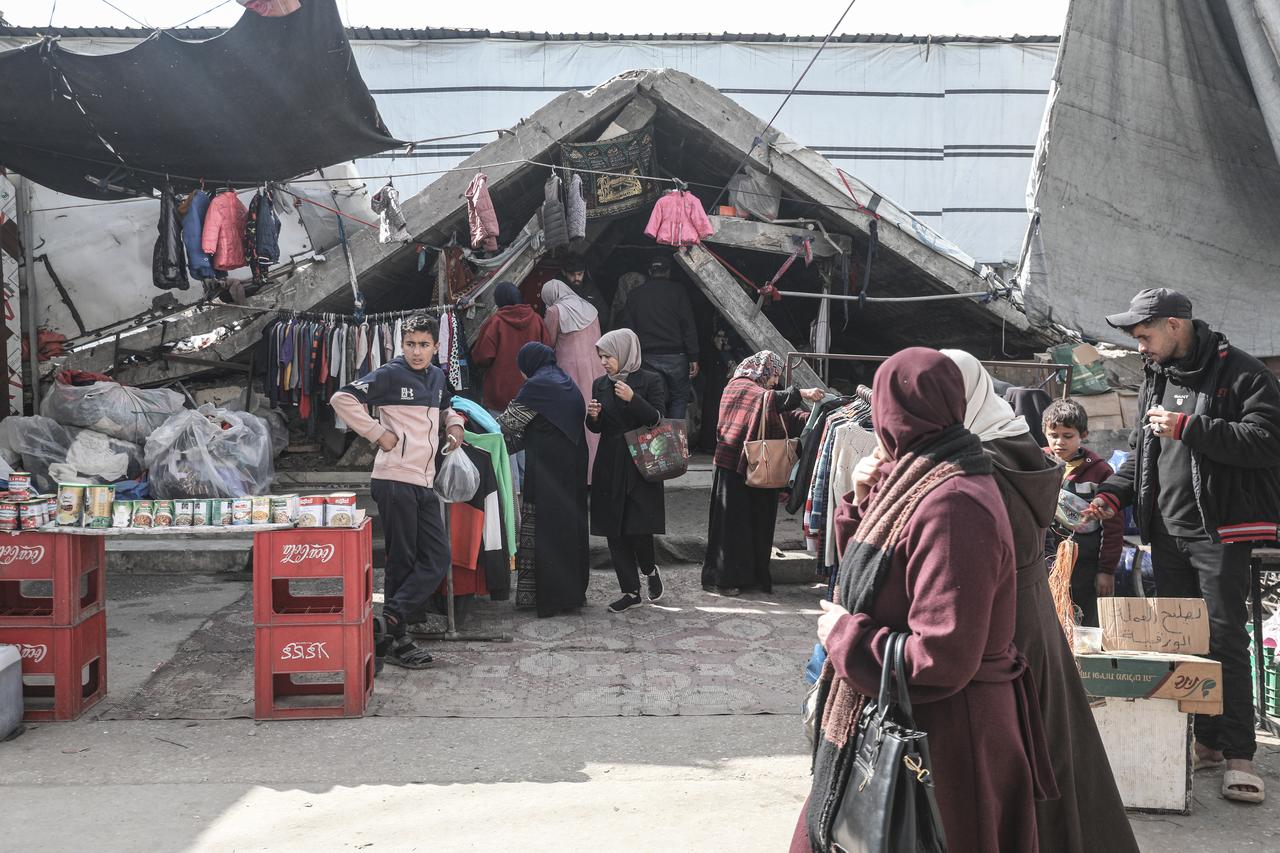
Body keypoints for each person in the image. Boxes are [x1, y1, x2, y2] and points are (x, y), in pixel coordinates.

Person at [795, 348, 1055, 853]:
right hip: (930, 723)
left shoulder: (953, 502)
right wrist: (859, 500)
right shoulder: (920, 479)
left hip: (947, 740)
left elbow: (942, 656)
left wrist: (845, 636)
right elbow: (881, 580)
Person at [1085, 288, 1280, 804]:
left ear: (1174, 326)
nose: (1141, 347)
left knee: (1224, 640)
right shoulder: (1158, 374)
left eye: (1145, 335)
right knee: (1182, 643)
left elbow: (1267, 441)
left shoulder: (1242, 373)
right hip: (1165, 536)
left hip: (1219, 533)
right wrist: (1112, 495)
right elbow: (1141, 452)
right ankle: (1207, 742)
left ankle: (1240, 752)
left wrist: (1190, 427)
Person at [940, 349, 1137, 853]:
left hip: (999, 633)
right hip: (1030, 623)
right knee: (1047, 749)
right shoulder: (1016, 450)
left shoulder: (977, 466)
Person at [330, 313, 465, 670]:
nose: (416, 352)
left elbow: (448, 405)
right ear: (400, 346)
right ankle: (397, 635)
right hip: (393, 480)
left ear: (437, 348)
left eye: (423, 345)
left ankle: (388, 624)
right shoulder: (391, 374)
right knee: (402, 559)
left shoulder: (437, 377)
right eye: (410, 345)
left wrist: (454, 425)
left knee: (436, 558)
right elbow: (341, 399)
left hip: (424, 482)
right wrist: (377, 433)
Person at [701, 351, 823, 596]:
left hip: (757, 467)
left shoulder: (762, 393)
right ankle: (723, 579)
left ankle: (752, 577)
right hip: (732, 468)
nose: (775, 381)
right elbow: (766, 400)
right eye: (774, 374)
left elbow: (782, 413)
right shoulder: (738, 387)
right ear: (763, 369)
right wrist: (801, 394)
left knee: (758, 524)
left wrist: (818, 418)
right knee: (732, 527)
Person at [495, 342, 591, 618]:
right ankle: (570, 594)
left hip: (550, 468)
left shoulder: (538, 386)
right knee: (568, 529)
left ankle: (551, 597)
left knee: (547, 530)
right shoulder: (563, 380)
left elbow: (509, 423)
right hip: (570, 467)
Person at [586, 329, 668, 613]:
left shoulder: (650, 380)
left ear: (624, 353)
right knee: (614, 528)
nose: (604, 362)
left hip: (639, 461)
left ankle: (649, 569)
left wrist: (633, 398)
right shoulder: (600, 384)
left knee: (638, 526)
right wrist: (593, 417)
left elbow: (657, 420)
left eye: (608, 356)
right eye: (601, 357)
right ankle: (630, 591)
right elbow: (597, 428)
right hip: (609, 460)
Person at [1041, 398, 1123, 627]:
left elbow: (1113, 527)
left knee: (1083, 621)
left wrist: (1106, 570)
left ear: (1083, 435)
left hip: (1084, 565)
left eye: (1068, 436)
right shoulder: (1038, 464)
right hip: (1046, 560)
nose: (1060, 442)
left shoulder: (1099, 472)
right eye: (1053, 435)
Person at [471, 281, 552, 497]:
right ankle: (531, 489)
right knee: (528, 441)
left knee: (506, 444)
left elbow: (483, 355)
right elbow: (548, 350)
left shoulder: (495, 322)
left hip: (500, 392)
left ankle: (512, 493)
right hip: (531, 392)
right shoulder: (536, 319)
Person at [617, 256, 700, 420]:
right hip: (676, 357)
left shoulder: (635, 295)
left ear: (649, 272)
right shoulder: (678, 291)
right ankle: (675, 444)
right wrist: (694, 356)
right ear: (668, 272)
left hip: (647, 357)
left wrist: (630, 359)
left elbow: (628, 330)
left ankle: (655, 443)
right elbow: (687, 325)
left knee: (653, 400)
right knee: (678, 399)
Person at [541, 279, 605, 480]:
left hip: (568, 371)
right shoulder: (591, 308)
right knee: (595, 416)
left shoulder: (554, 311)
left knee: (574, 418)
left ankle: (579, 473)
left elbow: (548, 342)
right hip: (596, 368)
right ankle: (597, 472)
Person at [564, 255, 610, 329]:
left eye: (579, 274)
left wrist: (586, 317)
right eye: (572, 274)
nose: (576, 278)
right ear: (564, 273)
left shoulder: (591, 290)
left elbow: (604, 316)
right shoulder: (558, 290)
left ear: (584, 272)